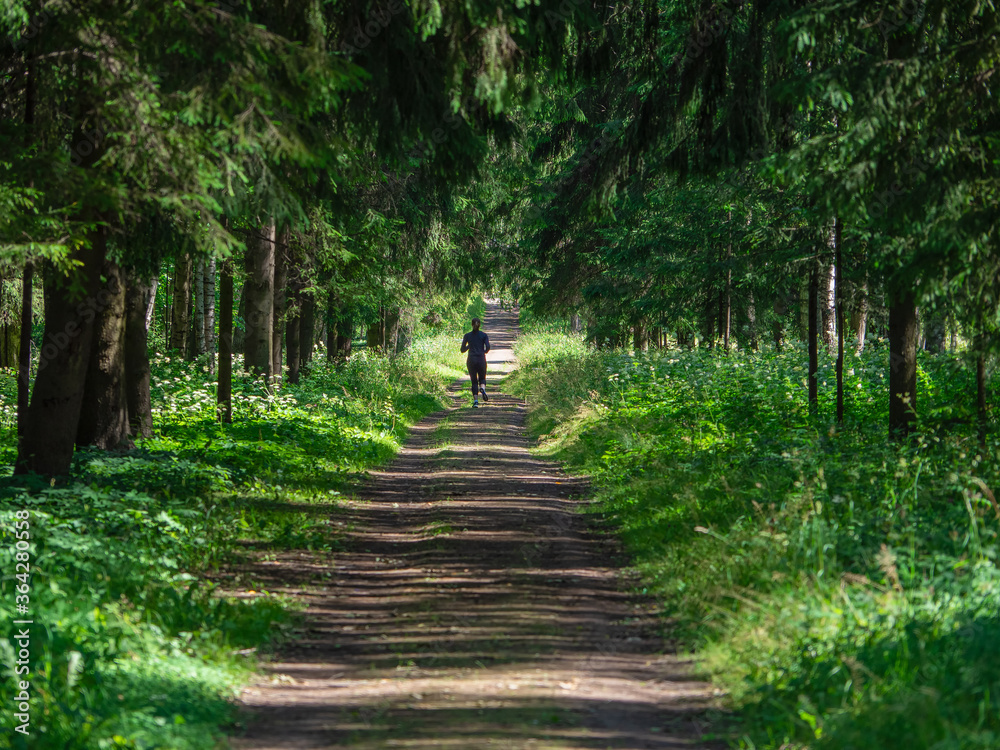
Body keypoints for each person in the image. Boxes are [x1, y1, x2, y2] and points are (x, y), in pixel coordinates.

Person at [461, 317, 490, 407]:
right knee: (482, 378)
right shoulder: (484, 335)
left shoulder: (467, 336)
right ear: (479, 325)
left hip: (471, 360)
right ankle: (482, 389)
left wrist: (469, 346)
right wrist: (484, 352)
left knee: (474, 381)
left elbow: (462, 350)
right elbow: (488, 347)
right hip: (481, 359)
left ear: (471, 325)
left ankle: (476, 402)